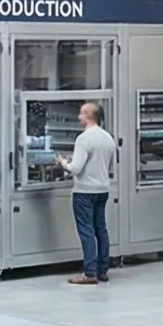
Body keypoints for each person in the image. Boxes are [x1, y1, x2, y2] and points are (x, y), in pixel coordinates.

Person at [60, 100, 119, 285]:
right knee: (101, 229)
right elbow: (110, 166)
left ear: (89, 116)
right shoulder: (108, 138)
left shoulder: (84, 139)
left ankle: (89, 273)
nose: (78, 117)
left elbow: (76, 168)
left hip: (84, 191)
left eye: (81, 113)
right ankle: (102, 270)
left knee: (86, 231)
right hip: (102, 189)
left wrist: (63, 162)